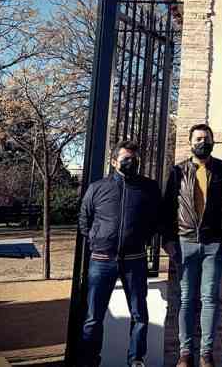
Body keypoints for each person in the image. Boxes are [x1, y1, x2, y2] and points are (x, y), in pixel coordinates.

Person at [78, 140, 161, 367]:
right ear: (114, 161)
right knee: (93, 317)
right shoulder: (97, 188)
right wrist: (98, 240)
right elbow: (84, 221)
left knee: (139, 315)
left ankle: (136, 359)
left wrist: (142, 238)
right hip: (102, 261)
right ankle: (89, 360)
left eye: (134, 158)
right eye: (125, 158)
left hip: (135, 260)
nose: (131, 161)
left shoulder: (149, 188)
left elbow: (156, 220)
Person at [161, 123, 222, 367]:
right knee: (185, 300)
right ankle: (185, 353)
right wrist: (169, 242)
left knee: (210, 299)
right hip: (185, 243)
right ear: (190, 142)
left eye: (206, 138)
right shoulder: (178, 172)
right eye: (198, 138)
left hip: (214, 244)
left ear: (213, 141)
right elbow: (168, 209)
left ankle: (205, 353)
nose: (202, 142)